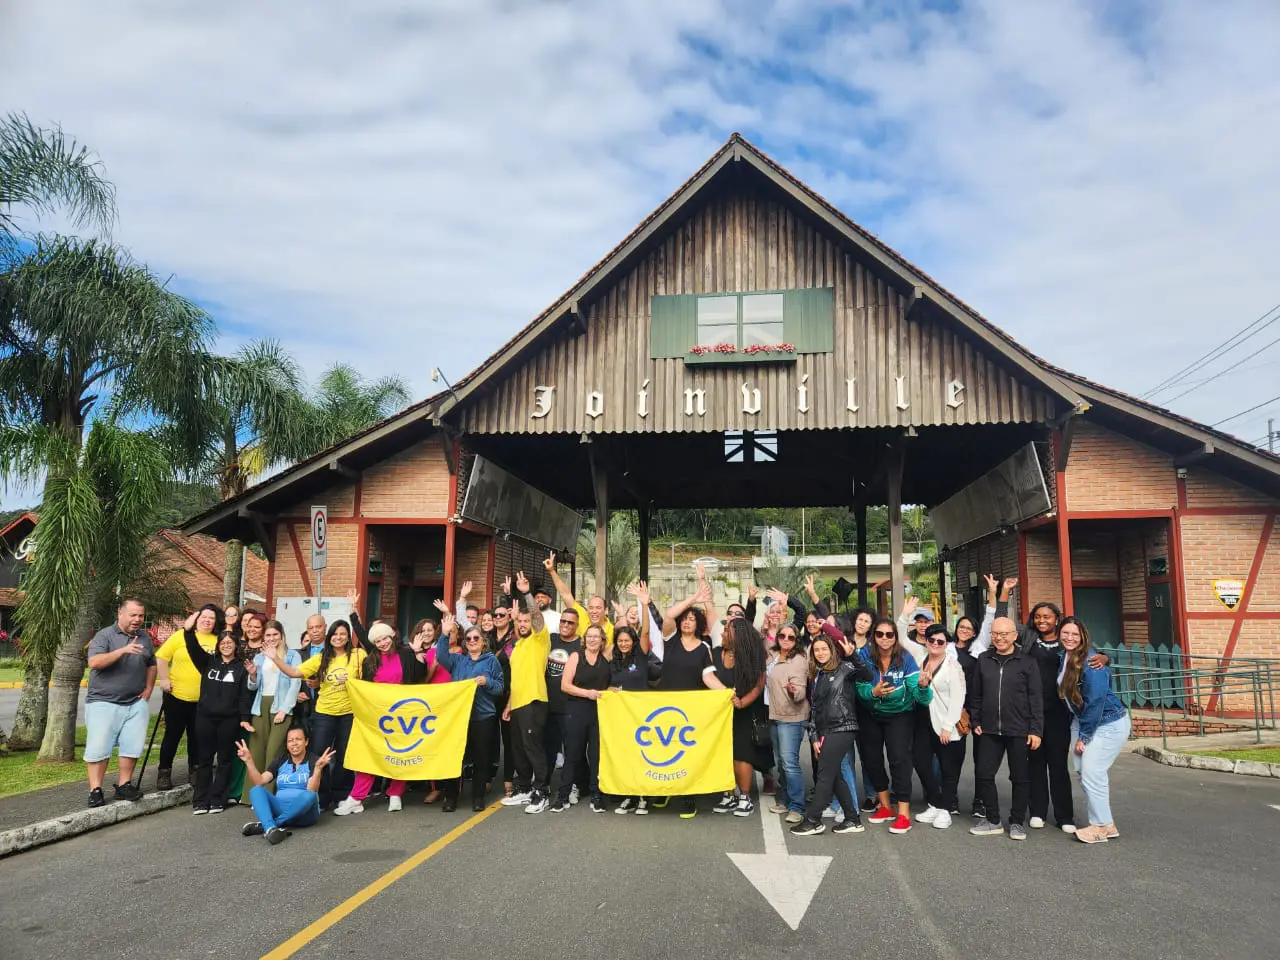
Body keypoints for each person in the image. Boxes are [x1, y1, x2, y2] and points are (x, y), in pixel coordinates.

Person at [330, 619, 432, 816]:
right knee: (371, 755)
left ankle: (396, 793)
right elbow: (366, 688)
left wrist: (418, 653)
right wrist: (350, 682)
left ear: (391, 636)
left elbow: (420, 674)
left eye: (385, 638)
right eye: (378, 641)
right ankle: (357, 797)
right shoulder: (370, 661)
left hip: (403, 714)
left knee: (401, 754)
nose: (383, 643)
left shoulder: (406, 653)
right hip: (379, 715)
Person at [270, 619, 364, 810]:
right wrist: (276, 659)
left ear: (348, 637)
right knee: (319, 753)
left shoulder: (357, 655)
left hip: (349, 713)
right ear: (329, 637)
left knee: (345, 755)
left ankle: (343, 795)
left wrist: (355, 616)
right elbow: (295, 672)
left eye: (343, 634)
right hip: (324, 713)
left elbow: (369, 675)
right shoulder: (322, 658)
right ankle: (322, 795)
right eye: (335, 634)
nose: (339, 637)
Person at [855, 617, 933, 835]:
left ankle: (903, 814)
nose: (884, 639)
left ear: (896, 638)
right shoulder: (864, 656)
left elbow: (921, 697)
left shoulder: (905, 658)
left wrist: (923, 686)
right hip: (872, 714)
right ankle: (886, 807)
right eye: (879, 634)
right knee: (871, 759)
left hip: (900, 715)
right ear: (874, 637)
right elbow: (859, 687)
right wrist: (873, 692)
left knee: (899, 760)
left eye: (889, 634)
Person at [790, 634, 872, 836]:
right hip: (826, 731)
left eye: (824, 649)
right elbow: (815, 709)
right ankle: (852, 819)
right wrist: (815, 737)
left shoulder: (845, 667)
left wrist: (854, 656)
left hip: (844, 727)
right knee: (834, 776)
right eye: (816, 650)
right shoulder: (817, 675)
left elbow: (867, 675)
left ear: (832, 650)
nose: (820, 653)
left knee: (824, 774)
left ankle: (813, 820)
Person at [969, 617, 1043, 840]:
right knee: (983, 774)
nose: (999, 638)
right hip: (989, 729)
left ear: (1014, 636)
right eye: (995, 634)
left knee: (1020, 777)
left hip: (1019, 729)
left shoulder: (1027, 662)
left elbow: (1035, 698)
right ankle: (993, 820)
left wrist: (1036, 729)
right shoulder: (983, 660)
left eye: (1004, 634)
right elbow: (976, 695)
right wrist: (976, 721)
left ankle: (1017, 821)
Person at [1057, 617, 1130, 843]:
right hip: (1082, 721)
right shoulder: (1065, 656)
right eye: (1065, 633)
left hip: (1106, 723)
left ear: (1083, 637)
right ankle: (1106, 823)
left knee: (1092, 773)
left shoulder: (1091, 662)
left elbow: (1096, 701)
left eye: (1075, 634)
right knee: (1082, 772)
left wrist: (1085, 736)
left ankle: (1099, 827)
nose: (1069, 638)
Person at [651, 582, 716, 819]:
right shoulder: (669, 639)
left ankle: (688, 797)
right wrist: (693, 598)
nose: (688, 621)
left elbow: (708, 678)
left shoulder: (704, 649)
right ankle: (664, 791)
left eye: (692, 619)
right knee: (663, 751)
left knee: (686, 755)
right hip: (666, 706)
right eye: (685, 618)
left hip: (691, 711)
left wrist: (727, 693)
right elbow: (668, 615)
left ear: (699, 624)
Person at [83, 599, 155, 807]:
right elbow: (94, 663)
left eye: (140, 615)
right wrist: (122, 651)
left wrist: (149, 688)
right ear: (120, 614)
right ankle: (95, 789)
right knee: (98, 748)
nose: (137, 619)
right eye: (133, 615)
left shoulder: (144, 637)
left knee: (132, 747)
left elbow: (151, 663)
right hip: (103, 702)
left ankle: (124, 784)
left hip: (135, 702)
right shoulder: (105, 635)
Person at [183, 617, 254, 814]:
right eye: (223, 643)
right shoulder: (208, 662)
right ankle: (200, 800)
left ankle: (217, 799)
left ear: (235, 646)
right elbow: (192, 648)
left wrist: (244, 718)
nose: (226, 646)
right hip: (205, 717)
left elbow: (244, 696)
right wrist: (188, 631)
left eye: (230, 643)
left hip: (229, 720)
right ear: (218, 645)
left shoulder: (241, 667)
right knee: (204, 760)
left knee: (224, 760)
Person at [435, 615, 505, 811]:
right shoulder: (457, 660)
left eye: (476, 638)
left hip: (483, 717)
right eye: (468, 639)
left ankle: (478, 797)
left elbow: (500, 687)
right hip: (458, 717)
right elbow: (441, 656)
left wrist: (487, 682)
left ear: (483, 642)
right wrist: (445, 633)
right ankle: (451, 798)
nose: (472, 641)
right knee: (454, 757)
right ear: (464, 643)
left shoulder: (491, 662)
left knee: (481, 758)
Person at [499, 570, 551, 813]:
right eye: (519, 622)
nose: (522, 625)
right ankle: (524, 788)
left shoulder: (540, 639)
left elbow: (537, 618)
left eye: (526, 622)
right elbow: (515, 681)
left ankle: (541, 791)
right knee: (519, 749)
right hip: (518, 703)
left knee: (532, 747)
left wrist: (526, 593)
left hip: (535, 701)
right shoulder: (516, 645)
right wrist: (509, 705)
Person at [154, 604, 221, 792]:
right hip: (177, 696)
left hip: (203, 699)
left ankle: (195, 770)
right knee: (172, 736)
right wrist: (164, 679)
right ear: (196, 618)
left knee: (197, 737)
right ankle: (164, 772)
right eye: (204, 617)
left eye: (211, 618)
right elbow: (161, 657)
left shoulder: (218, 640)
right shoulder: (181, 635)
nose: (207, 620)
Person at [609, 585, 661, 814]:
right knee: (626, 756)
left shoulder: (640, 657)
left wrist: (644, 603)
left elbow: (647, 633)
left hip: (641, 715)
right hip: (621, 716)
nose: (624, 644)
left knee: (642, 756)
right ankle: (628, 796)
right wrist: (612, 690)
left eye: (627, 640)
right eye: (620, 641)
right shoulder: (613, 662)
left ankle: (643, 798)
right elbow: (608, 685)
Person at [552, 623, 612, 813]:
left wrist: (612, 691)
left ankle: (596, 794)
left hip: (599, 712)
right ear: (584, 639)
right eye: (590, 636)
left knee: (595, 756)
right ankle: (563, 795)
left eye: (597, 636)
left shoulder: (606, 658)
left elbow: (607, 686)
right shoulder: (576, 656)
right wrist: (587, 694)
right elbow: (565, 685)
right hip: (577, 710)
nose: (593, 639)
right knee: (572, 755)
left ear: (603, 640)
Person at [241, 619, 302, 805]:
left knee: (274, 751)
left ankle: (269, 797)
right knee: (257, 751)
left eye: (275, 634)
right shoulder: (260, 657)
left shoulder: (292, 656)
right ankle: (252, 796)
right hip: (261, 706)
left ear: (282, 635)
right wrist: (252, 674)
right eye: (268, 635)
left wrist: (285, 709)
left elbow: (295, 683)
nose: (272, 638)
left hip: (281, 707)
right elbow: (253, 687)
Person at [238, 729, 335, 845]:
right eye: (290, 741)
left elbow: (311, 789)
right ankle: (271, 829)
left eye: (298, 739)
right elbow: (260, 781)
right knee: (256, 790)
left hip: (305, 813)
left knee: (309, 795)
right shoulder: (280, 760)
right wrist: (249, 761)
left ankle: (270, 825)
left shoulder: (314, 760)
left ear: (306, 742)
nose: (294, 743)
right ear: (287, 745)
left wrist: (318, 769)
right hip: (280, 808)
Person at [914, 624, 967, 829]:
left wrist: (947, 726)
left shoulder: (953, 666)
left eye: (940, 641)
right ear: (926, 641)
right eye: (931, 640)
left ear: (947, 644)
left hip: (946, 724)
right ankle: (935, 803)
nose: (935, 644)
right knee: (920, 762)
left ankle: (945, 809)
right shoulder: (921, 660)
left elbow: (958, 697)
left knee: (948, 768)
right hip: (923, 721)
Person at [765, 624, 809, 823]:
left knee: (789, 763)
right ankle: (784, 800)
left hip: (792, 717)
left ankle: (797, 806)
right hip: (774, 715)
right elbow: (760, 638)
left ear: (796, 640)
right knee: (781, 762)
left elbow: (800, 691)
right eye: (782, 635)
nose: (785, 639)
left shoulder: (798, 660)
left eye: (791, 637)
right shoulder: (773, 654)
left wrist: (794, 691)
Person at [542, 600, 583, 803]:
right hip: (548, 705)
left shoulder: (581, 644)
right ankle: (544, 786)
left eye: (570, 623)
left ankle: (573, 785)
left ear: (577, 625)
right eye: (563, 622)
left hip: (570, 707)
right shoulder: (551, 639)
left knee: (571, 749)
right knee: (548, 749)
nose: (565, 625)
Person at [544, 552, 613, 644]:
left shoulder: (613, 631)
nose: (594, 611)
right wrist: (552, 571)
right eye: (591, 608)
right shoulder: (582, 616)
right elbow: (566, 594)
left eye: (598, 608)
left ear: (606, 610)